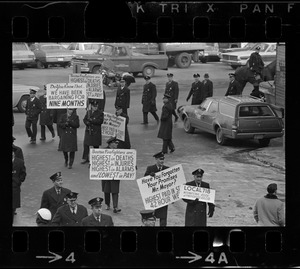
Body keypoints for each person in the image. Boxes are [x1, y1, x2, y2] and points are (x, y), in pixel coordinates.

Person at [144, 152, 169, 226]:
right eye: (160, 159)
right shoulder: (150, 168)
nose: (162, 161)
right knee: (151, 216)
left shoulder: (167, 169)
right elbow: (144, 181)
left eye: (163, 159)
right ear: (156, 159)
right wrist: (149, 176)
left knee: (163, 217)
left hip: (163, 196)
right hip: (153, 196)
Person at [101, 137, 122, 213]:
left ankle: (115, 207)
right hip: (106, 174)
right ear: (110, 144)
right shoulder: (103, 151)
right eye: (115, 143)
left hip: (115, 174)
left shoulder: (120, 152)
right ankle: (107, 204)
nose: (117, 144)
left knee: (115, 190)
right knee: (106, 190)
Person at [12, 147, 26, 220]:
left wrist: (19, 181)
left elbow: (23, 173)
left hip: (15, 186)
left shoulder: (19, 162)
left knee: (13, 205)